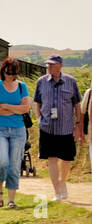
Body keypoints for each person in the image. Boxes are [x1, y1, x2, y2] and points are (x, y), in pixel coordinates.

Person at [32, 54, 81, 202]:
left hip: (66, 127)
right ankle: (57, 192)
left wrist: (77, 125)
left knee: (67, 159)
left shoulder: (71, 82)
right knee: (51, 159)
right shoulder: (41, 82)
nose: (49, 67)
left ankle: (62, 182)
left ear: (60, 65)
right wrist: (39, 119)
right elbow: (37, 103)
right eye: (48, 65)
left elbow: (77, 105)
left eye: (52, 65)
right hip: (47, 127)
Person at [0, 58, 30, 209]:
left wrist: (6, 106)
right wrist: (15, 108)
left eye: (12, 73)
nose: (10, 76)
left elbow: (26, 108)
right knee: (2, 160)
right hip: (0, 129)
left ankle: (11, 199)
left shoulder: (22, 87)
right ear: (3, 71)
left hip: (18, 130)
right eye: (7, 72)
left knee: (14, 165)